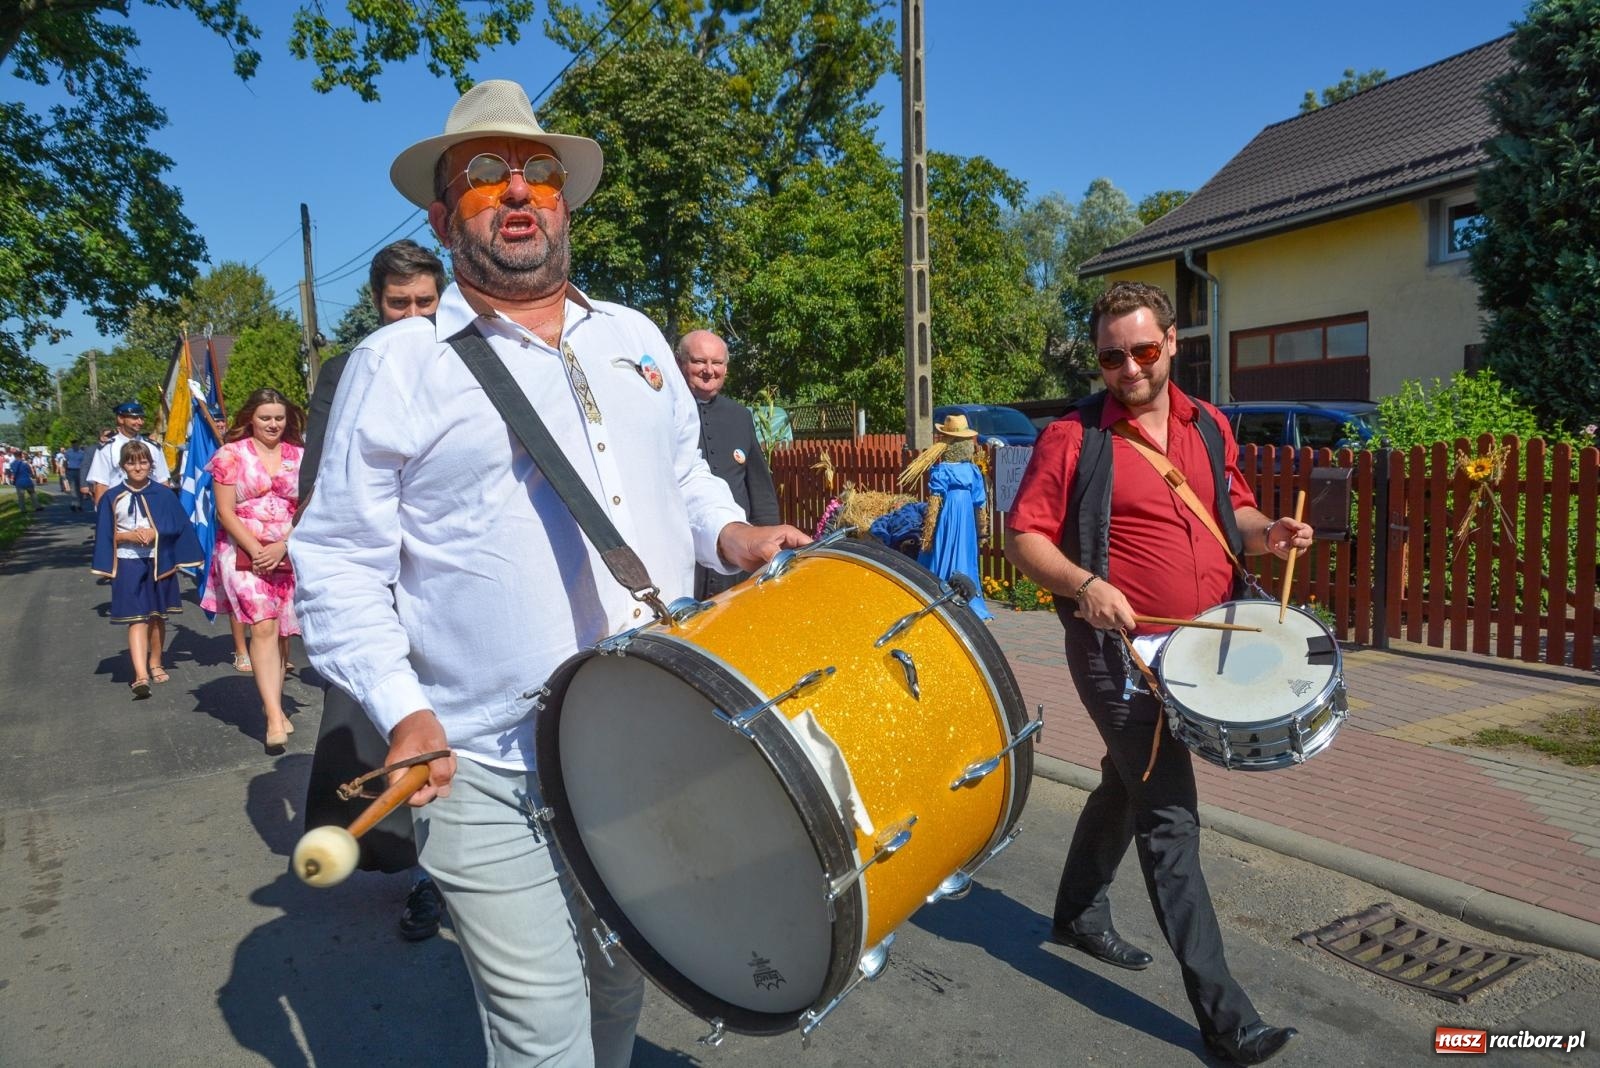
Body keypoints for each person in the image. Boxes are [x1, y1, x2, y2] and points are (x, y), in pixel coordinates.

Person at [290, 79, 810, 1066]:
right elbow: (338, 563)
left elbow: (682, 477)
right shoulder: (396, 363)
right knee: (542, 1035)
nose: (519, 190)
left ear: (565, 201)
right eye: (485, 175)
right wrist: (402, 709)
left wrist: (733, 536)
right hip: (484, 761)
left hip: (641, 740)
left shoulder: (636, 338)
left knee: (617, 987)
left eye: (537, 171)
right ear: (443, 216)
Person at [1004, 281, 1312, 1066]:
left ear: (1172, 342)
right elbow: (1024, 538)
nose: (1130, 369)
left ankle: (1077, 912)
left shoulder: (1208, 424)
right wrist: (1084, 583)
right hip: (1120, 653)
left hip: (1203, 648)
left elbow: (1235, 514)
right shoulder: (1074, 437)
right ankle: (1227, 1021)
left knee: (1125, 780)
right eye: (1112, 357)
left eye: (1144, 350)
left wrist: (1269, 534)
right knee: (1169, 814)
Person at [300, 239, 450, 944]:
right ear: (376, 303)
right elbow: (325, 486)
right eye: (399, 304)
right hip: (385, 584)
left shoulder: (467, 358)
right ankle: (426, 877)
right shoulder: (351, 370)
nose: (414, 316)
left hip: (454, 582)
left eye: (426, 302)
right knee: (407, 733)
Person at [202, 388, 305, 752]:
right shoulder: (231, 455)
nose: (273, 424)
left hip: (288, 547)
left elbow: (308, 506)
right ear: (250, 419)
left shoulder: (300, 455)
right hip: (242, 549)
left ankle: (273, 700)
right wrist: (258, 550)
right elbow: (224, 511)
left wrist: (283, 545)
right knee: (262, 625)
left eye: (279, 417)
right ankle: (274, 717)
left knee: (282, 631)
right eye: (265, 418)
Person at [674, 328, 781, 598]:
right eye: (699, 361)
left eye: (717, 363)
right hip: (685, 560)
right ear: (679, 362)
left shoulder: (739, 416)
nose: (709, 370)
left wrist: (767, 541)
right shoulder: (667, 413)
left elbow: (760, 490)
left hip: (735, 561)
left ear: (726, 368)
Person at [91, 441, 203, 698]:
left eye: (143, 462)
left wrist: (156, 533)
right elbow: (105, 534)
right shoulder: (112, 496)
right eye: (131, 463)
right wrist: (127, 536)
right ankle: (140, 675)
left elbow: (179, 526)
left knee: (156, 616)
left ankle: (156, 662)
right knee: (136, 618)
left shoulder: (164, 495)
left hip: (158, 560)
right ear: (122, 466)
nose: (138, 467)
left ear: (151, 465)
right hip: (128, 562)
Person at [900, 412, 995, 620]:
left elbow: (934, 503)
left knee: (944, 544)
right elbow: (980, 502)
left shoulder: (942, 470)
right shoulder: (973, 471)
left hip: (948, 512)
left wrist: (929, 532)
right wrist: (982, 529)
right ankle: (966, 595)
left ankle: (942, 588)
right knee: (965, 550)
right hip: (966, 514)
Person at [86, 402, 171, 506]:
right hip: (118, 505)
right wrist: (102, 512)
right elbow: (101, 484)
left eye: (141, 418)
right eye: (134, 418)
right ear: (120, 419)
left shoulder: (153, 447)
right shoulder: (107, 449)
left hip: (150, 504)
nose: (140, 422)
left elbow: (163, 481)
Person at [63, 440, 87, 511]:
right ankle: (73, 504)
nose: (74, 446)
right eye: (73, 445)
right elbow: (65, 461)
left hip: (80, 471)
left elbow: (84, 463)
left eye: (76, 445)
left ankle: (79, 504)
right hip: (71, 470)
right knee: (73, 488)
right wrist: (65, 470)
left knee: (80, 488)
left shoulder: (82, 453)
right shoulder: (68, 452)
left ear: (78, 445)